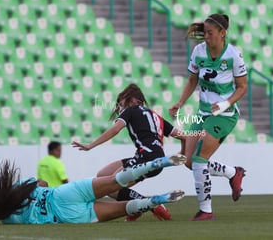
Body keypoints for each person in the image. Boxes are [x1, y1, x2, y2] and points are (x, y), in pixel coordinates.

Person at [168, 13, 247, 221]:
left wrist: (225, 103)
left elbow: (242, 87)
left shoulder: (233, 55)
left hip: (224, 115)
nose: (206, 37)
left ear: (223, 33)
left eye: (210, 33)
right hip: (202, 112)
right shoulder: (198, 51)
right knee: (188, 162)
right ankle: (232, 173)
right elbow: (192, 80)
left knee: (199, 160)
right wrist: (180, 102)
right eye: (204, 33)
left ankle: (206, 210)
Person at [72, 83, 187, 221]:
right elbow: (184, 136)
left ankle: (150, 205)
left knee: (110, 186)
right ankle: (137, 209)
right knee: (102, 175)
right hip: (152, 157)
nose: (121, 108)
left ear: (132, 100)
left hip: (146, 157)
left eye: (121, 103)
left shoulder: (131, 110)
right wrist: (183, 153)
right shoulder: (156, 116)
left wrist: (91, 145)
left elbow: (115, 129)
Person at [0, 156, 186, 224]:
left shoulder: (7, 219)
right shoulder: (15, 189)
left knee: (124, 208)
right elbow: (42, 183)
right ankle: (156, 163)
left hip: (66, 216)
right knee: (113, 181)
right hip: (62, 194)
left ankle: (156, 200)